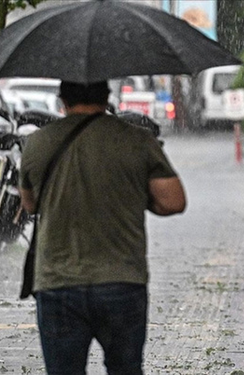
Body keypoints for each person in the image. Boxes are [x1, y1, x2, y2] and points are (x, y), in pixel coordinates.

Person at [18, 81, 186, 374]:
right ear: (107, 97)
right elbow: (173, 201)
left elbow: (30, 205)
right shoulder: (137, 140)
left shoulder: (38, 143)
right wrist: (133, 194)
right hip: (121, 280)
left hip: (58, 282)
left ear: (63, 100)